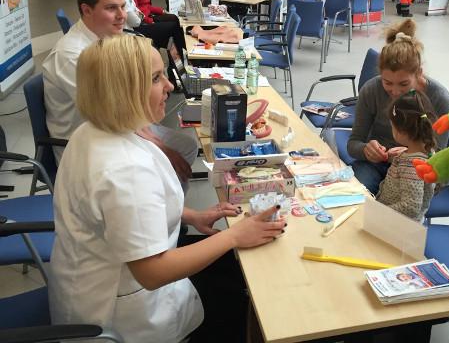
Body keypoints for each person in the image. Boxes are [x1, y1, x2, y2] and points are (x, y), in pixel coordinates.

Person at [49, 35, 286, 343]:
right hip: (122, 318)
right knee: (247, 303)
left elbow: (122, 215)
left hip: (93, 282)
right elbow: (153, 273)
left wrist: (191, 216)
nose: (170, 86)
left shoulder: (93, 130)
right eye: (155, 78)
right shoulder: (125, 169)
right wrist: (234, 235)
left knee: (234, 273)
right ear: (122, 89)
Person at [42, 0, 196, 182]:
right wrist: (159, 146)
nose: (122, 15)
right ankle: (166, 198)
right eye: (111, 8)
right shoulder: (71, 56)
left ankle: (168, 198)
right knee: (177, 154)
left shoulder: (105, 37)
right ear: (86, 10)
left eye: (123, 7)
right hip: (92, 145)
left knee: (183, 148)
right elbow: (112, 112)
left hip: (113, 130)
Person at [347, 19, 449, 194]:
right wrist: (366, 150)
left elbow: (439, 159)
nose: (395, 92)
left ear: (419, 73)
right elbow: (353, 143)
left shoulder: (439, 99)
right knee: (355, 195)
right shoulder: (372, 90)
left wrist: (412, 154)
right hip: (376, 165)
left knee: (397, 205)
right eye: (387, 83)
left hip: (416, 171)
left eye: (404, 84)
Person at [376, 90, 437, 221]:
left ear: (401, 131)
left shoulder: (412, 166)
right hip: (397, 219)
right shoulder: (427, 151)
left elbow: (411, 207)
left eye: (392, 126)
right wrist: (398, 157)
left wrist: (378, 212)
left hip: (397, 223)